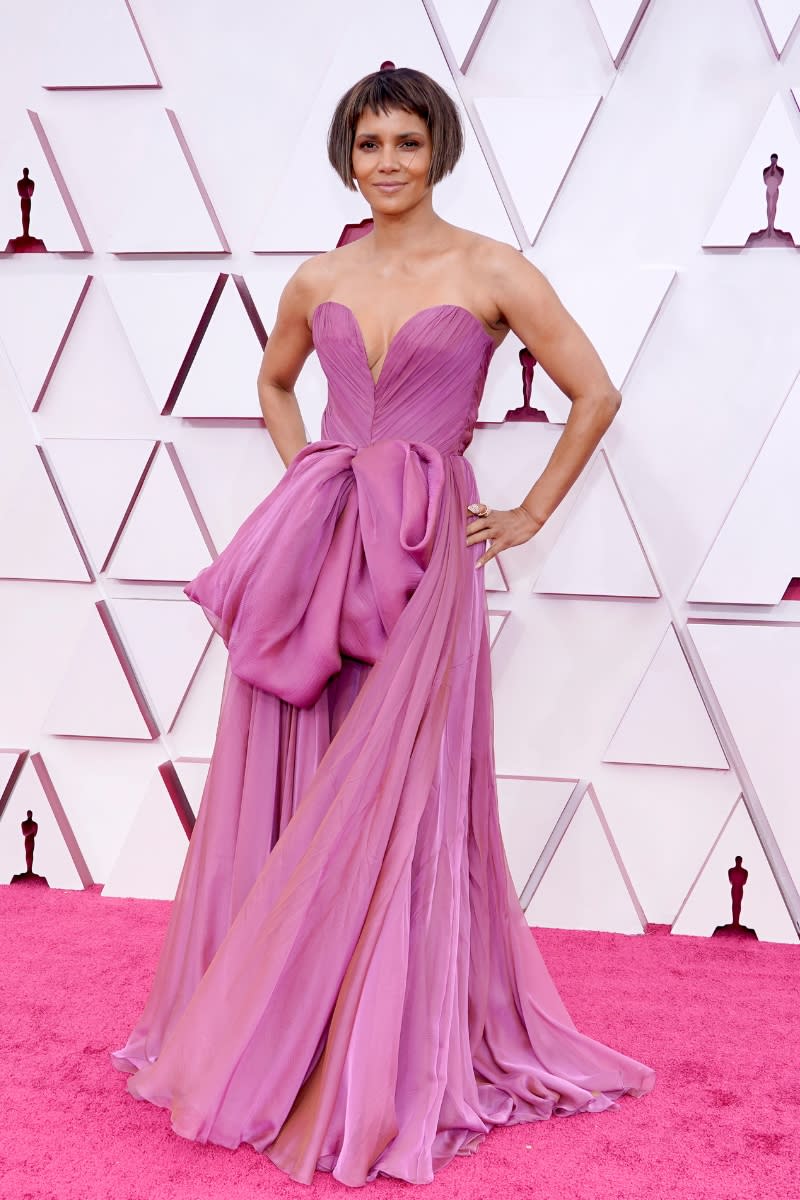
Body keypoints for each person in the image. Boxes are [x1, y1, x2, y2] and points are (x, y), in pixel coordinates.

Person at [110, 65, 656, 1187]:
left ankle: (383, 1041)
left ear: (438, 149)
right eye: (369, 146)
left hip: (425, 557)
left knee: (401, 786)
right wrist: (316, 480)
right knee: (301, 776)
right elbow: (275, 384)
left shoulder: (492, 269)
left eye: (406, 143)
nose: (388, 163)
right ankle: (285, 1029)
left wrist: (530, 511)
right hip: (321, 548)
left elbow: (593, 390)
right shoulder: (319, 275)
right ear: (346, 156)